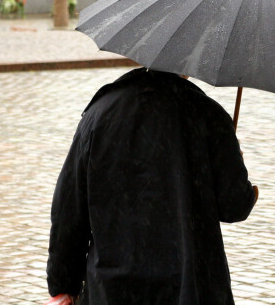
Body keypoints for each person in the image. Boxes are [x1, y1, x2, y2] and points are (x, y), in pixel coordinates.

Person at [45, 68, 258, 305]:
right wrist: (236, 164)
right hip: (190, 286)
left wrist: (62, 286)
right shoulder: (210, 115)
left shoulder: (99, 114)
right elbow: (234, 206)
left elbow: (69, 209)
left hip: (111, 288)